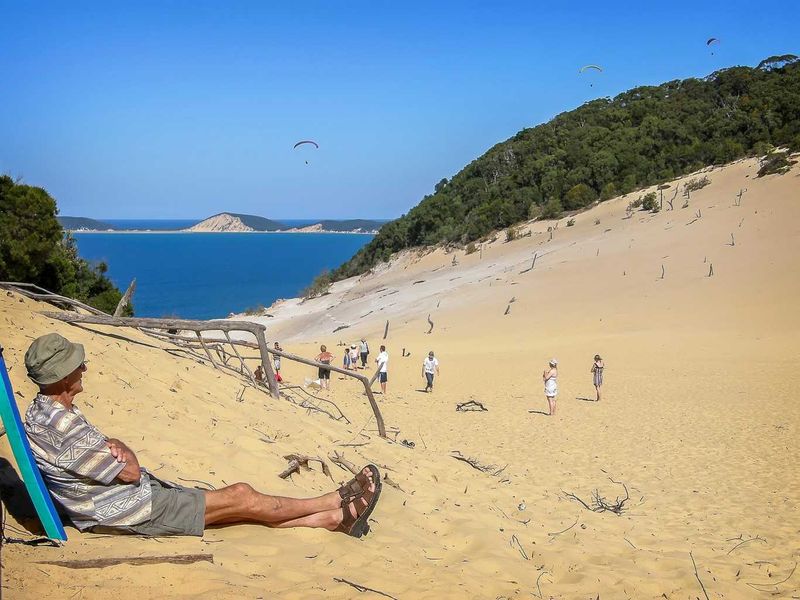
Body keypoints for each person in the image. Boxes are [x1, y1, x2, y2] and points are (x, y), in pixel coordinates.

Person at [22, 333, 381, 538]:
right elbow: (129, 471)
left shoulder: (41, 411)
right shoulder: (62, 426)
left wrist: (112, 449)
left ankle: (333, 519)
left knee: (238, 506)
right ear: (63, 376)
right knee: (242, 495)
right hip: (127, 510)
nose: (84, 367)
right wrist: (123, 449)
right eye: (77, 365)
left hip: (120, 500)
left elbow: (102, 460)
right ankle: (330, 500)